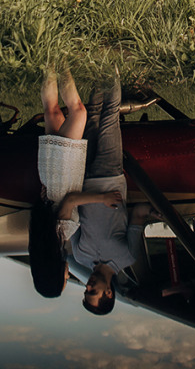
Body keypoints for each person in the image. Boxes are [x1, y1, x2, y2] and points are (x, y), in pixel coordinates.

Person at [54, 74, 152, 314]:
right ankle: (112, 68)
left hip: (84, 177)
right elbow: (138, 216)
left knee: (92, 115)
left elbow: (72, 216)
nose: (87, 287)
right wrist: (156, 213)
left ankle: (97, 67)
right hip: (110, 176)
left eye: (86, 291)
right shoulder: (127, 256)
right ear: (109, 292)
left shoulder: (80, 255)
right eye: (92, 292)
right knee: (110, 117)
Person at [29, 69, 87, 298]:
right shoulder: (40, 239)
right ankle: (49, 62)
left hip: (65, 172)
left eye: (64, 279)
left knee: (78, 112)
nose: (68, 275)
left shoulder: (64, 234)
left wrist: (103, 198)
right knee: (51, 110)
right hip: (49, 173)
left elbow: (70, 199)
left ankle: (62, 62)